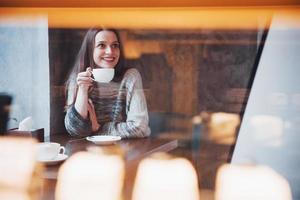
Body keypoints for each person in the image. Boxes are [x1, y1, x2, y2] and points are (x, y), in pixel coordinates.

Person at [64, 28, 150, 138]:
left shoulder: (130, 77)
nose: (110, 51)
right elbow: (75, 130)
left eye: (115, 45)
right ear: (90, 50)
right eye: (101, 45)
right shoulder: (79, 78)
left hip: (124, 150)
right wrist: (83, 90)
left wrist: (98, 128)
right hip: (86, 151)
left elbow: (140, 128)